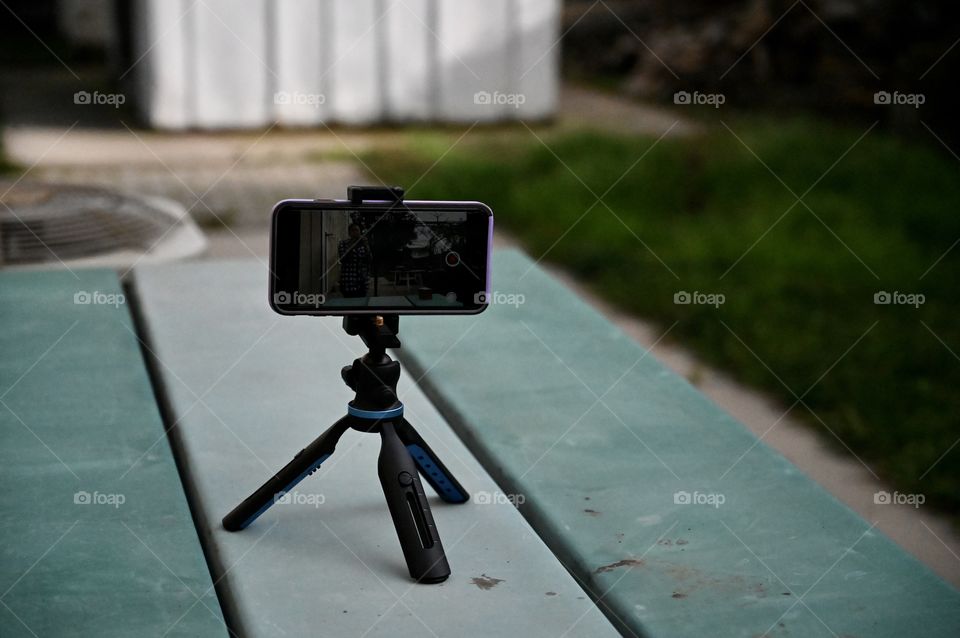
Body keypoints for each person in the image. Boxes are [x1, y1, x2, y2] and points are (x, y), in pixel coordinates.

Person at [338, 223, 372, 298]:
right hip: (348, 280)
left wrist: (366, 246)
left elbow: (369, 260)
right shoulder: (343, 243)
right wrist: (353, 245)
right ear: (349, 233)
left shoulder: (363, 244)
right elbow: (343, 259)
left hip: (361, 281)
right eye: (353, 230)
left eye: (357, 230)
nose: (355, 232)